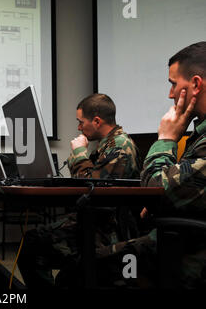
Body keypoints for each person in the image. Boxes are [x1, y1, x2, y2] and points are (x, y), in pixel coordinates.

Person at [17, 93, 141, 288]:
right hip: (94, 221)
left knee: (32, 246)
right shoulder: (108, 145)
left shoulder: (120, 146)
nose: (79, 127)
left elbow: (94, 189)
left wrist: (79, 154)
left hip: (106, 229)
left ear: (97, 121)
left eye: (81, 122)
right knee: (35, 245)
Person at [113, 41, 205, 288]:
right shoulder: (200, 135)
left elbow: (156, 189)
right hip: (184, 240)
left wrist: (166, 139)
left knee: (79, 268)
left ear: (195, 84)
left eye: (173, 84)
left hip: (189, 255)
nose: (170, 94)